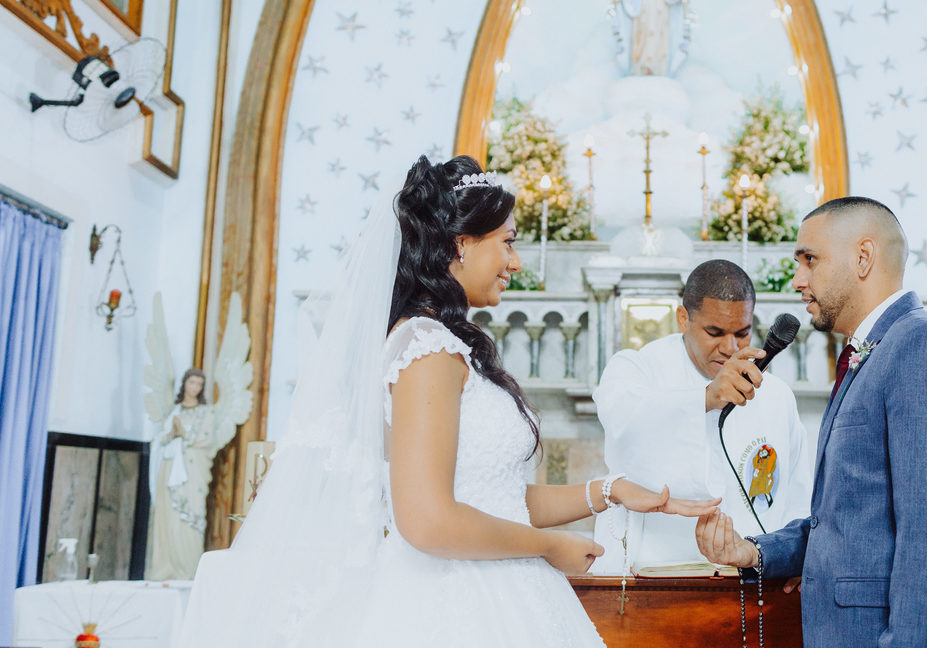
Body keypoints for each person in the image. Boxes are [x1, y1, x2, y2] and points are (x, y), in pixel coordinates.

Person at [180, 156, 717, 646]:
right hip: (456, 602)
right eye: (506, 242)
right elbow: (428, 519)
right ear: (461, 244)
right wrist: (549, 547)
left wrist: (609, 491)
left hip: (500, 586)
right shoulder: (426, 348)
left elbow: (494, 501)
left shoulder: (450, 345)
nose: (516, 261)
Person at [696, 197, 927, 648]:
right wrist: (755, 551)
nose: (797, 280)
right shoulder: (874, 355)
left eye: (810, 259)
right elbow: (849, 523)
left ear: (863, 257)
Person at [592, 259, 810, 573]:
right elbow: (621, 416)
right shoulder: (637, 368)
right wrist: (706, 398)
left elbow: (797, 492)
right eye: (714, 332)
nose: (730, 347)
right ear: (683, 319)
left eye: (743, 333)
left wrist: (795, 562)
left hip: (753, 581)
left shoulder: (775, 393)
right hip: (652, 573)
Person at [147, 368, 216, 580]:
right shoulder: (173, 410)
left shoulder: (206, 412)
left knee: (189, 516)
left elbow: (207, 439)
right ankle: (164, 566)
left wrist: (183, 433)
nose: (194, 387)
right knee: (168, 515)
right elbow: (162, 438)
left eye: (199, 384)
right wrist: (171, 434)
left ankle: (187, 568)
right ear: (184, 383)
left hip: (191, 471)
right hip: (170, 468)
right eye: (191, 382)